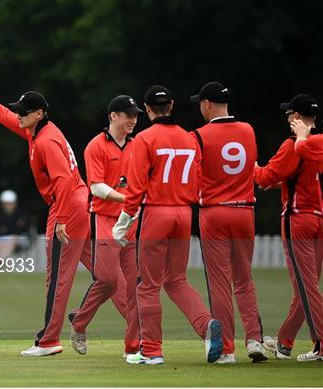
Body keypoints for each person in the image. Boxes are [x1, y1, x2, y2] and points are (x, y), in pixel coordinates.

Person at [0, 68, 132, 357]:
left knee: (57, 278)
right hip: (78, 203)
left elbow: (62, 180)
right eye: (19, 111)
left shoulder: (46, 140)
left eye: (24, 111)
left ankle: (48, 340)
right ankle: (141, 332)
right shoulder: (38, 130)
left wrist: (60, 219)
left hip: (68, 205)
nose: (19, 115)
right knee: (107, 276)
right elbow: (2, 115)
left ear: (39, 113)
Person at [113, 85, 223, 365]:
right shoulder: (189, 138)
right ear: (172, 106)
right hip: (184, 214)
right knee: (177, 280)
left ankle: (151, 350)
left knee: (148, 286)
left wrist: (124, 220)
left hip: (157, 213)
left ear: (147, 110)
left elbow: (135, 186)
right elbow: (198, 180)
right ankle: (205, 325)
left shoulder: (144, 138)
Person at [189, 82, 267, 363]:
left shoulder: (198, 135)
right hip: (245, 210)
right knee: (244, 279)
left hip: (215, 212)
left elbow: (194, 177)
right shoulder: (248, 130)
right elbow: (251, 168)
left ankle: (227, 349)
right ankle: (255, 339)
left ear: (207, 104)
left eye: (201, 103)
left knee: (220, 282)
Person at [69, 95, 140, 357]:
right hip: (105, 220)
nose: (133, 120)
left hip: (131, 220)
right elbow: (96, 187)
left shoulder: (138, 145)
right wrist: (126, 198)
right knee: (108, 280)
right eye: (127, 115)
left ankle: (134, 346)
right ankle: (79, 323)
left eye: (135, 115)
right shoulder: (96, 146)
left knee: (135, 287)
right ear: (113, 116)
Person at [256, 94, 323, 362]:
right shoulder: (320, 142)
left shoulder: (295, 145)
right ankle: (284, 341)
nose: (286, 119)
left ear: (296, 118)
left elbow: (267, 176)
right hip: (319, 219)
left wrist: (252, 169)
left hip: (298, 219)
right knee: (307, 286)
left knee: (305, 287)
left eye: (289, 114)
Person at [0, 189, 30, 259]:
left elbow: (22, 231)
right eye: (6, 204)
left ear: (15, 203)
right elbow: (0, 232)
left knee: (12, 239)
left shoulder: (21, 215)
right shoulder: (0, 216)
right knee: (5, 242)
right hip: (4, 240)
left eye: (10, 203)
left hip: (21, 240)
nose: (8, 206)